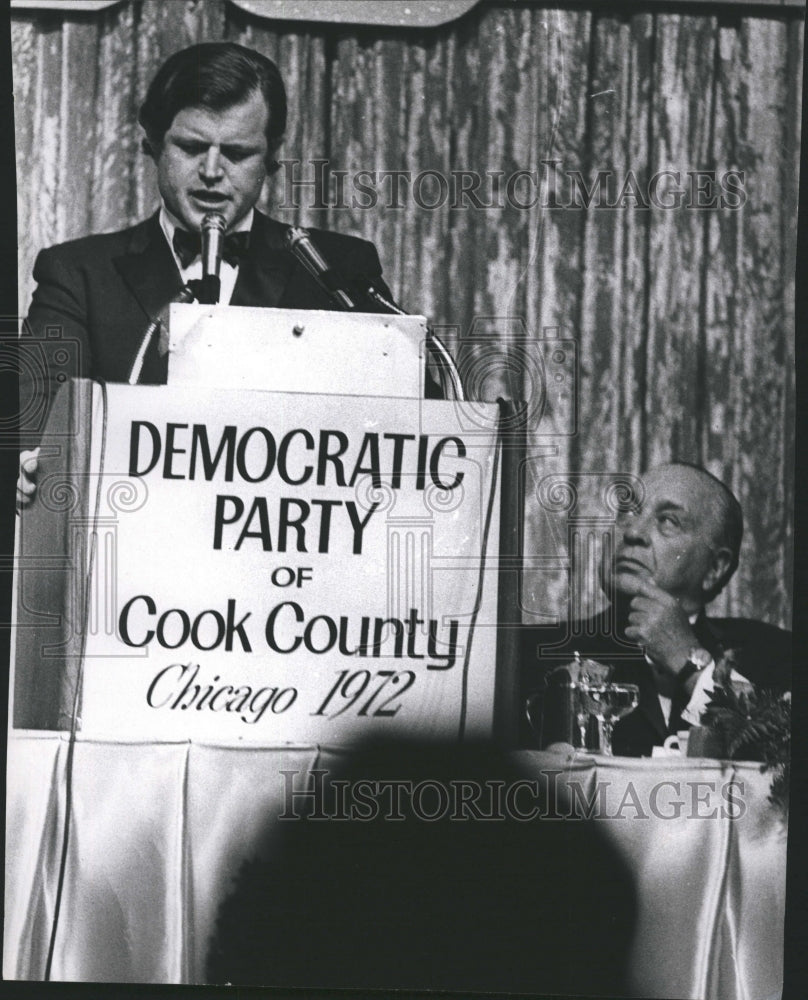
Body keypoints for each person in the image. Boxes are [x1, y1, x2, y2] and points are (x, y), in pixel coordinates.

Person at [16, 41, 403, 506]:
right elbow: (35, 427)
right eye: (192, 147)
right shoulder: (77, 273)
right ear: (154, 144)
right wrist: (29, 464)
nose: (213, 171)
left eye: (237, 153)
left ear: (272, 155)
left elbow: (412, 427)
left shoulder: (339, 269)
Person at [521, 462, 792, 756]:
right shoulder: (531, 655)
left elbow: (781, 768)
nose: (633, 531)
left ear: (716, 568)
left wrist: (688, 664)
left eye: (668, 520)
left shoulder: (775, 656)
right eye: (627, 512)